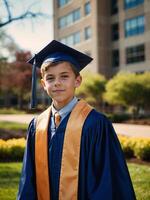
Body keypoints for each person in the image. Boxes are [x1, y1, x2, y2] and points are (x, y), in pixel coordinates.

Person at [17, 40, 136, 200]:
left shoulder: (96, 124)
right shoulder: (37, 125)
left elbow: (106, 178)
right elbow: (28, 178)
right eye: (50, 78)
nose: (57, 82)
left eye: (64, 76)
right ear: (43, 84)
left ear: (77, 81)